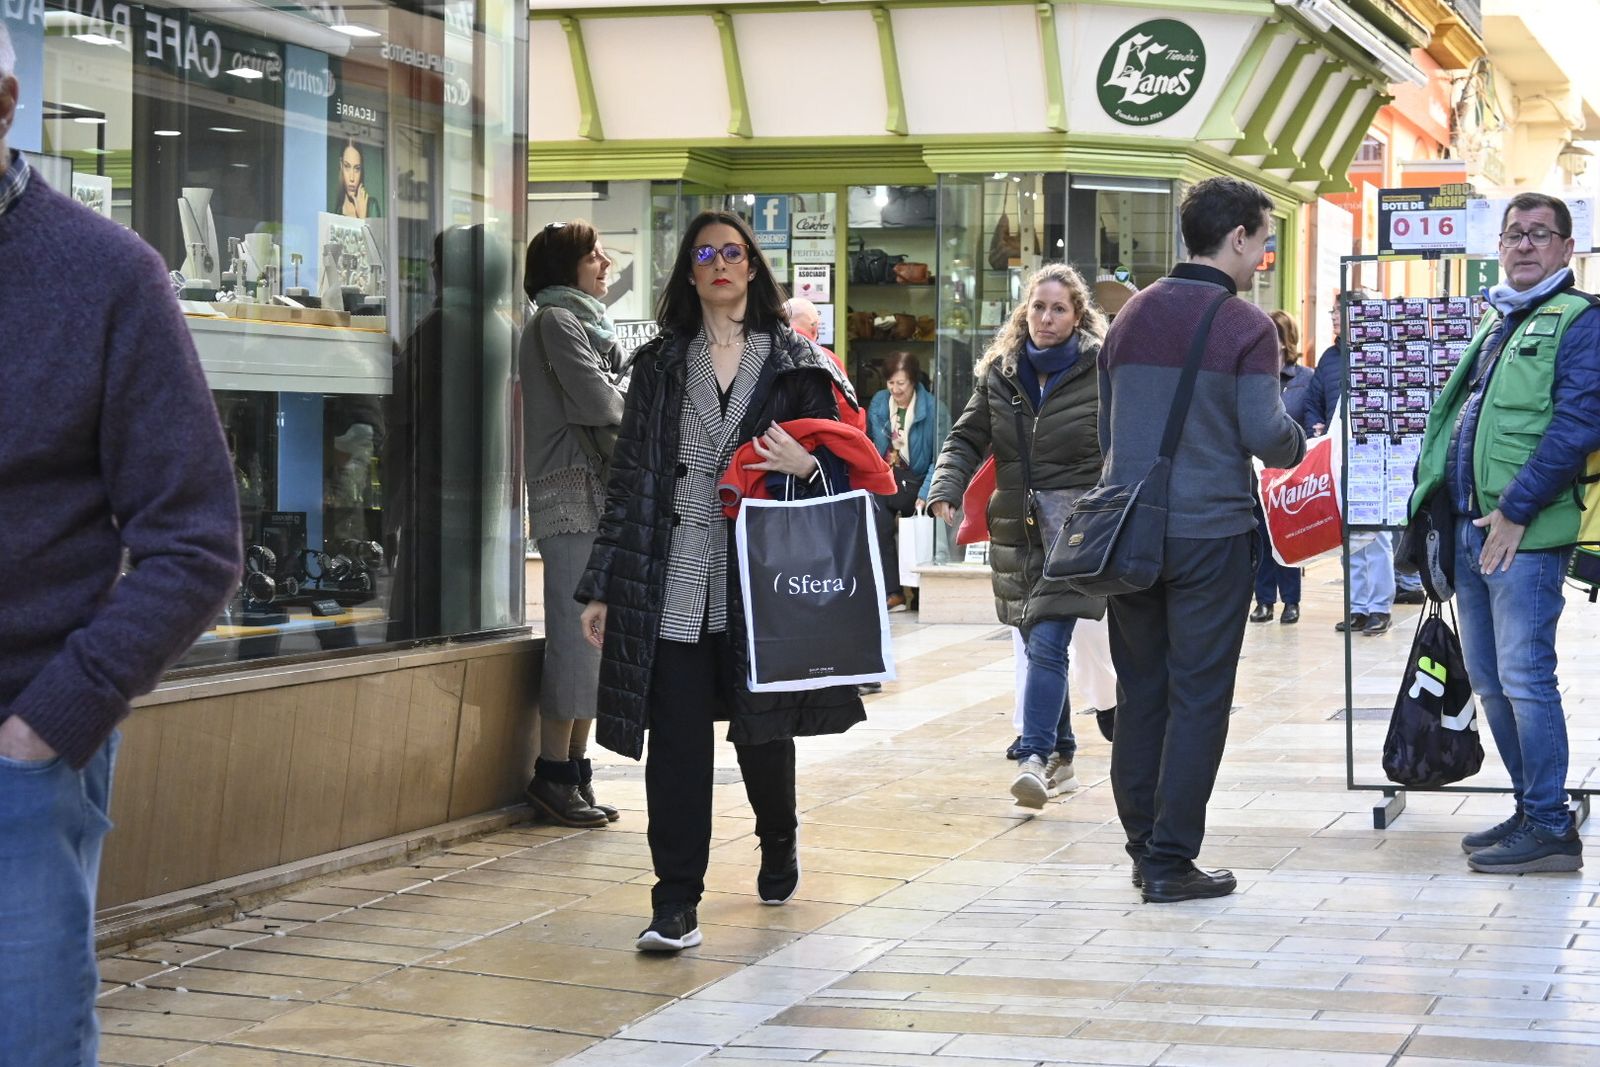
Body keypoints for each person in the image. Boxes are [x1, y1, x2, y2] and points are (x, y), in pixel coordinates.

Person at [0, 25, 244, 1063]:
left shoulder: (105, 277)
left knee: (33, 1037)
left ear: (4, 101)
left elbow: (196, 541)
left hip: (19, 757)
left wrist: (50, 720)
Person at [576, 210, 866, 953]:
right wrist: (604, 584)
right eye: (704, 253)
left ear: (752, 267)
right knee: (675, 745)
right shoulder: (659, 364)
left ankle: (778, 837)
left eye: (732, 252)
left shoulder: (799, 363)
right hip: (674, 576)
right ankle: (674, 901)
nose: (719, 264)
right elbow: (629, 484)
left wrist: (809, 467)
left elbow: (850, 469)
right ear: (690, 272)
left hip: (759, 586)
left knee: (761, 734)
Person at [1098, 177, 1305, 903]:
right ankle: (1170, 857)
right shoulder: (1243, 325)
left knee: (1142, 690)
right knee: (1198, 696)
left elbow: (1108, 430)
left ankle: (1139, 843)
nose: (1264, 253)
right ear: (1238, 237)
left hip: (1129, 532)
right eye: (1263, 238)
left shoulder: (1130, 316)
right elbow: (1265, 433)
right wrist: (1299, 440)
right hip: (1210, 533)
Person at [1409, 192, 1600, 874]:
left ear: (1565, 249)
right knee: (1490, 681)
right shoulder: (1501, 322)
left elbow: (1579, 424)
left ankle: (1551, 824)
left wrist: (1517, 507)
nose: (1524, 245)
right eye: (1514, 233)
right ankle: (1530, 807)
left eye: (1539, 234)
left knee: (1525, 677)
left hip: (1526, 533)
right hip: (1473, 529)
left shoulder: (1579, 321)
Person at [928, 264, 1108, 809]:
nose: (1046, 317)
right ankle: (1064, 754)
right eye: (1038, 307)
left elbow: (1125, 443)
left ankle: (1032, 755)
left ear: (1078, 316)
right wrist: (946, 486)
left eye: (1058, 308)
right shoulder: (1001, 374)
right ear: (1023, 312)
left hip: (1076, 530)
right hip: (1016, 530)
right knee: (1034, 640)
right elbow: (967, 437)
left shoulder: (1101, 370)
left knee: (1048, 640)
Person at [522, 220, 627, 828]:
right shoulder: (556, 322)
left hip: (598, 496)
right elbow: (601, 404)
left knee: (597, 640)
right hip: (570, 500)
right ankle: (551, 774)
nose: (605, 261)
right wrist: (629, 386)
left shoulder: (584, 322)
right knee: (573, 637)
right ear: (566, 267)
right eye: (593, 254)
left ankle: (576, 773)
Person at [1305, 289, 1412, 628]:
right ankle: (1356, 607)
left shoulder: (1378, 353)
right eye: (1333, 312)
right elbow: (1314, 399)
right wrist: (1315, 424)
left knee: (1375, 532)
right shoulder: (1329, 357)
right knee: (1347, 532)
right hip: (1337, 453)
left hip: (1371, 452)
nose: (1335, 318)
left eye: (1340, 311)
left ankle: (1379, 606)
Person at [867, 351, 946, 613]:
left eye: (901, 383)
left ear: (913, 381)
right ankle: (893, 593)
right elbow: (870, 447)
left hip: (919, 478)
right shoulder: (879, 403)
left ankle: (922, 594)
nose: (895, 389)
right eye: (891, 383)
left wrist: (926, 493)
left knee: (922, 535)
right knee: (879, 528)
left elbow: (940, 458)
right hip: (887, 476)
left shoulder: (933, 408)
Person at [1250, 310, 1314, 625]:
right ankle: (1263, 601)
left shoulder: (1305, 379)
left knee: (1287, 535)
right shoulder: (1255, 373)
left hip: (1292, 470)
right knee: (1261, 536)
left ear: (1284, 340)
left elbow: (1315, 416)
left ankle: (1291, 601)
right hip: (1259, 471)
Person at [785, 296, 865, 432]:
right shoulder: (826, 359)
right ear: (814, 328)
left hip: (767, 445)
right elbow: (849, 416)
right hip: (815, 444)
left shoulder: (759, 355)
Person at [335, 138, 379, 219]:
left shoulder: (372, 206)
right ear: (341, 165)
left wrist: (362, 217)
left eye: (357, 169)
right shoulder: (337, 211)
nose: (352, 178)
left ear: (361, 170)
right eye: (347, 166)